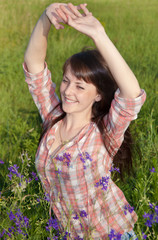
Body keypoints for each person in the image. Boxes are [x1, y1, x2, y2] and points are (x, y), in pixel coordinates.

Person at [23, 3, 146, 239]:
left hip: (112, 234)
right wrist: (45, 18)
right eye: (66, 81)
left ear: (98, 94)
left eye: (80, 86)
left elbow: (131, 96)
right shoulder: (53, 118)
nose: (68, 91)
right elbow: (34, 67)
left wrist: (99, 34)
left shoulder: (103, 133)